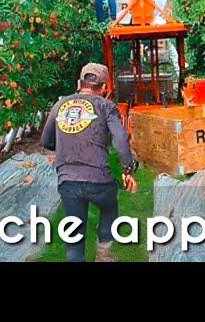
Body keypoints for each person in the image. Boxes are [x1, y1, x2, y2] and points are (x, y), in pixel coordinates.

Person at [40, 62, 138, 262]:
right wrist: (128, 169)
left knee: (74, 235)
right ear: (104, 88)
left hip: (67, 181)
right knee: (109, 208)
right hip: (99, 179)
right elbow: (120, 140)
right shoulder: (106, 106)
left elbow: (46, 141)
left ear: (79, 83)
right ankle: (104, 254)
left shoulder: (60, 105)